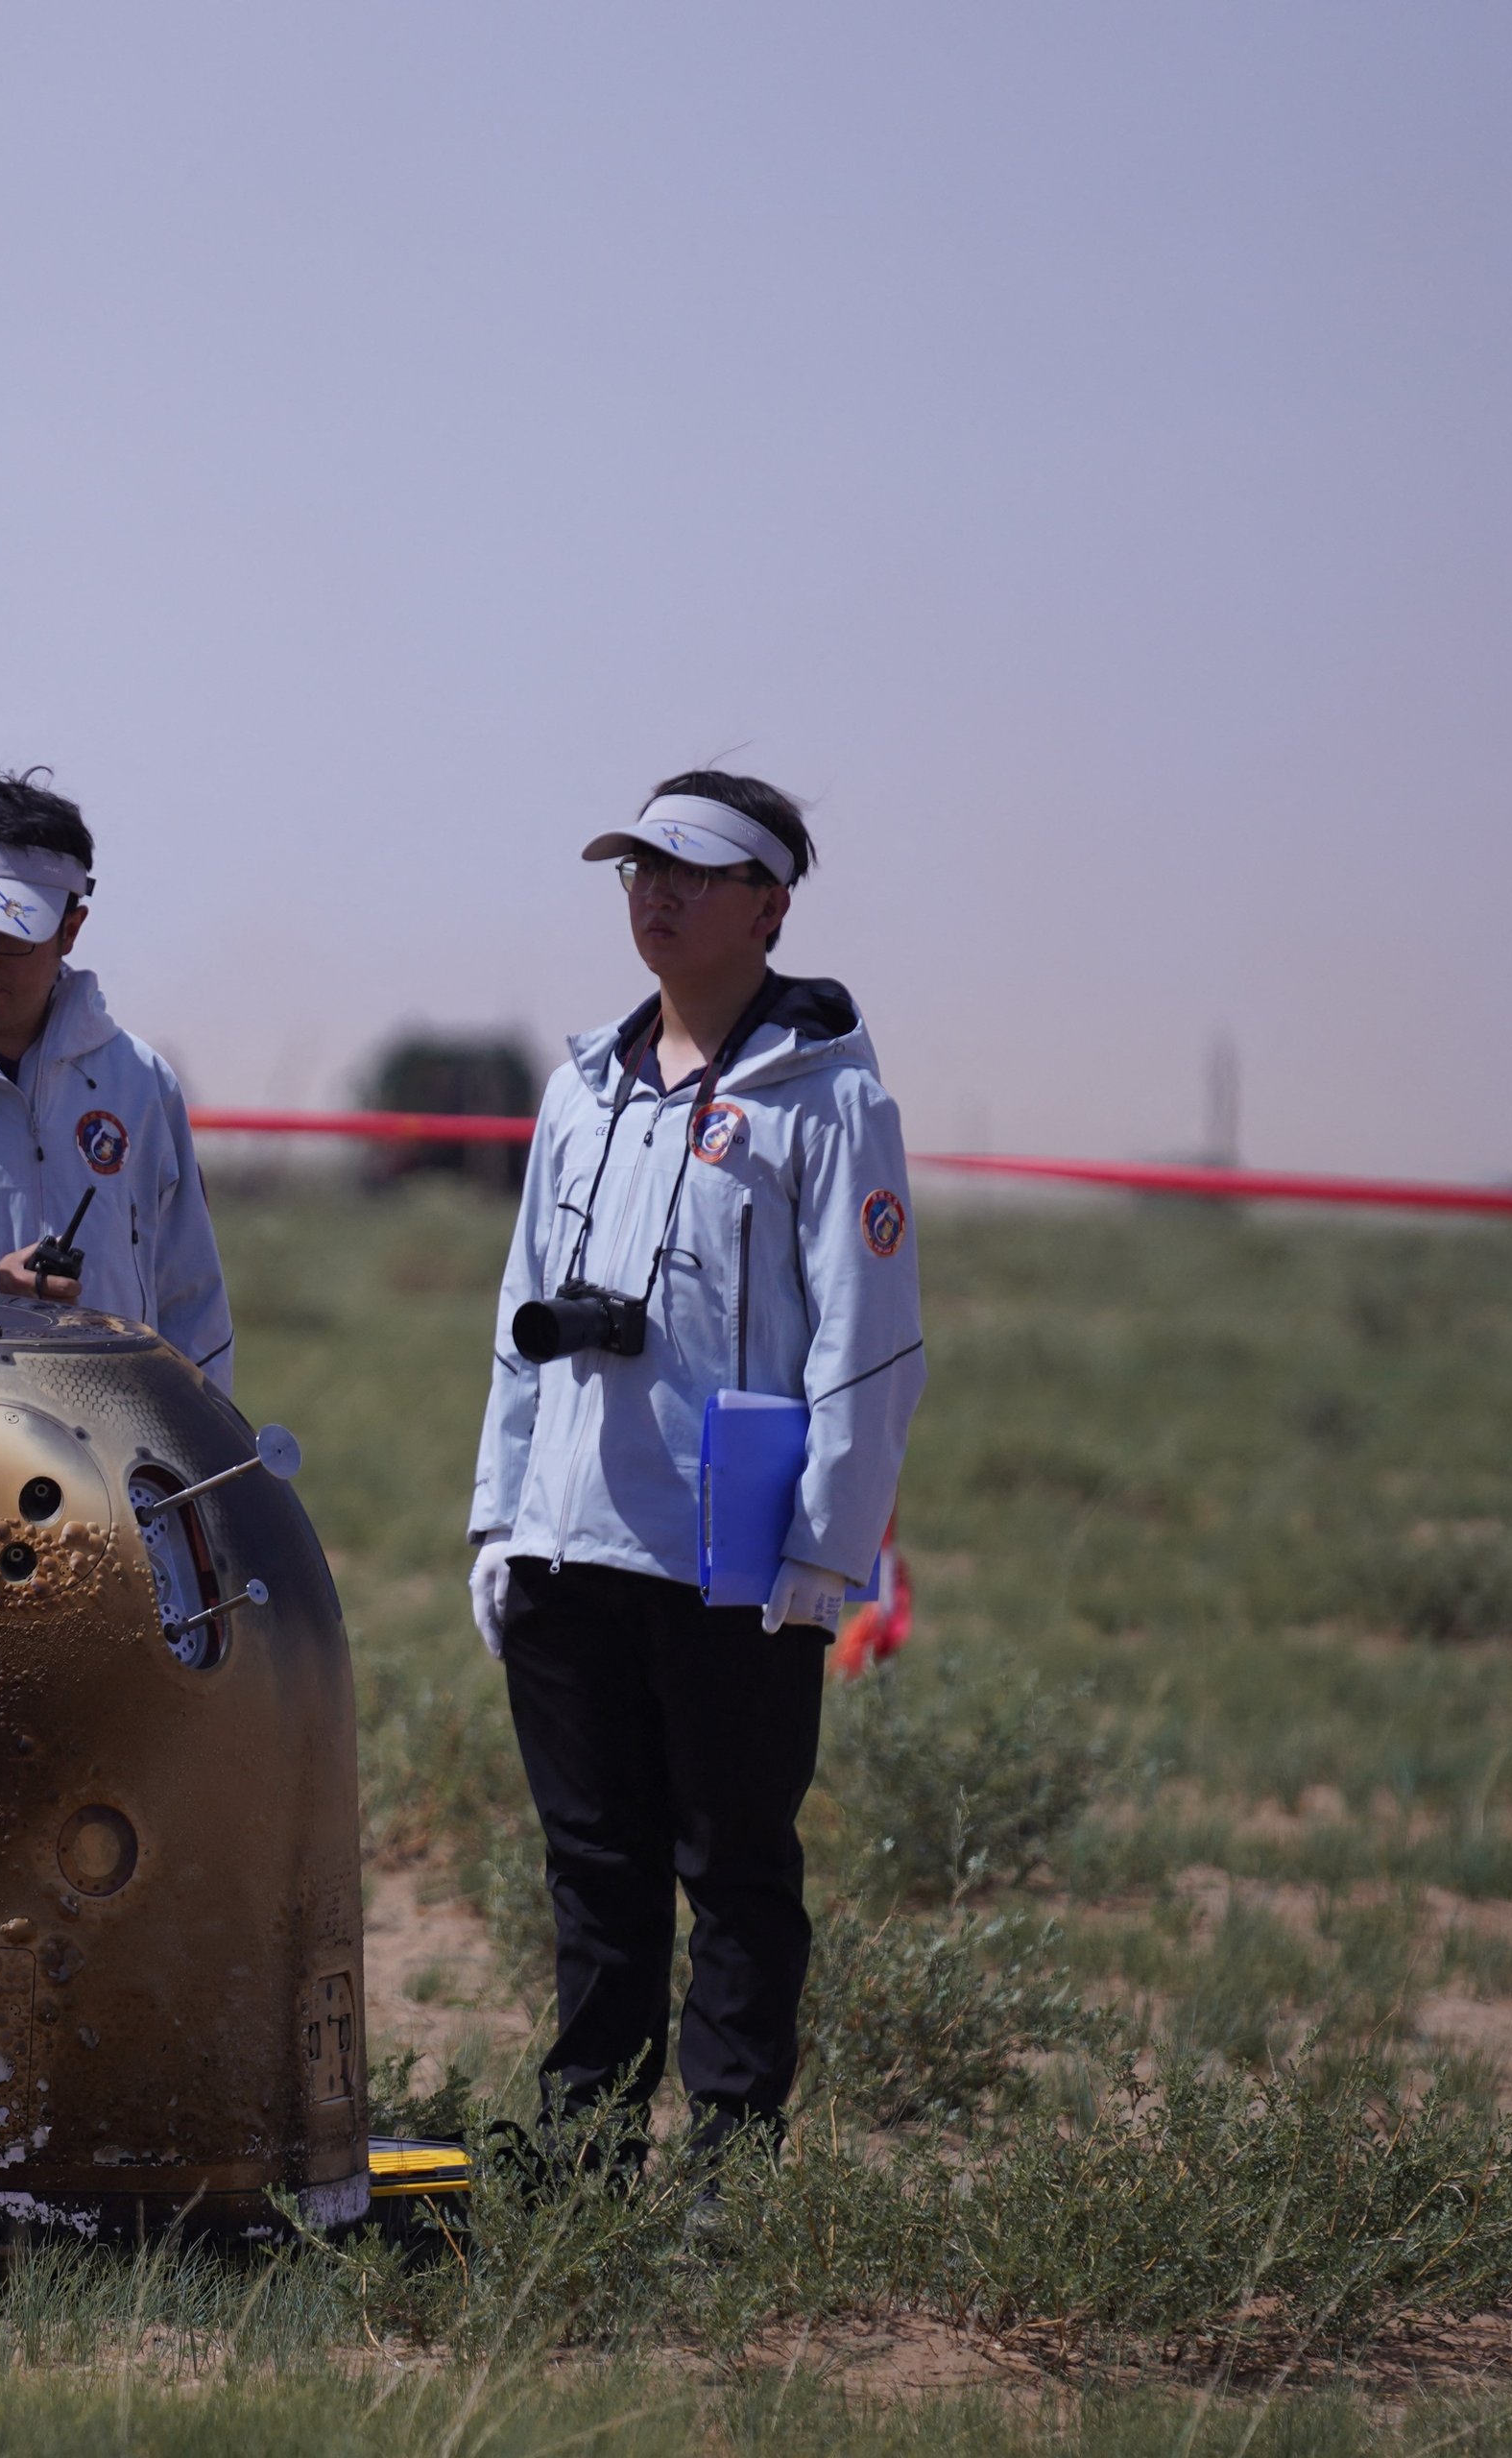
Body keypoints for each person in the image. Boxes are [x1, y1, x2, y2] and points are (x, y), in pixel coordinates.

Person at [466, 771, 924, 2179]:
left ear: (771, 906)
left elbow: (870, 1347)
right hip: (569, 1544)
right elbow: (518, 1324)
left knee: (733, 1869)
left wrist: (823, 1554)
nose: (654, 893)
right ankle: (586, 2146)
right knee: (594, 1874)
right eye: (635, 869)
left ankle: (732, 2161)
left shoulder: (830, 1101)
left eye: (693, 871)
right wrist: (501, 1519)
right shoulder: (581, 1089)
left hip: (736, 1553)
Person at [0, 769, 234, 1389]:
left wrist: (204, 1456)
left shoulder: (138, 1082)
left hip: (109, 1438)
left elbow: (191, 1298)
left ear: (70, 930)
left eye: (8, 933)